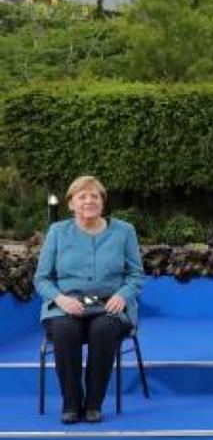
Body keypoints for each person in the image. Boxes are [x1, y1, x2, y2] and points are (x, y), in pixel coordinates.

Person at [33, 176, 144, 424]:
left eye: (95, 196)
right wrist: (60, 299)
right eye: (82, 196)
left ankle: (94, 404)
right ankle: (71, 404)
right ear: (71, 204)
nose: (89, 201)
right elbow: (42, 279)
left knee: (103, 329)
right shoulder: (57, 232)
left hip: (110, 304)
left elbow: (135, 275)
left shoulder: (124, 231)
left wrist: (122, 295)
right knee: (63, 329)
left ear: (102, 202)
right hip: (67, 304)